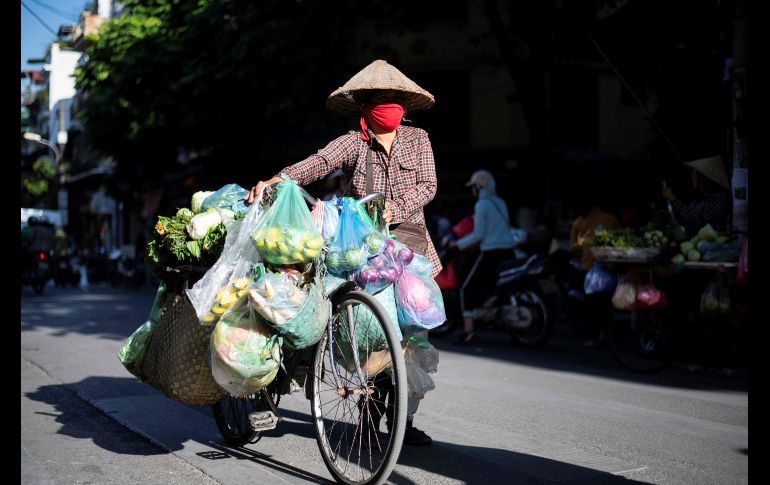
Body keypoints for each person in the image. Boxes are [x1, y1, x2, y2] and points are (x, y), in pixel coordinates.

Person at [244, 59, 439, 446]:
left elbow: (428, 185)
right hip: (361, 249)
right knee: (364, 333)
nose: (390, 104)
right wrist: (278, 179)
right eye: (381, 99)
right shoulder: (354, 141)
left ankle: (400, 419)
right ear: (366, 104)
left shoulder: (419, 140)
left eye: (395, 98)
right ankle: (353, 406)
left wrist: (390, 209)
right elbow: (319, 162)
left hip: (409, 248)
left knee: (410, 339)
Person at [447, 170, 515, 345]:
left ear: (478, 187)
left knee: (465, 288)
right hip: (509, 251)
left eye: (473, 187)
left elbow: (478, 235)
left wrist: (457, 244)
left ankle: (469, 332)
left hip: (491, 253)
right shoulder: (501, 202)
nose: (473, 191)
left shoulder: (482, 205)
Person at [569, 202, 619, 347]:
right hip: (608, 270)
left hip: (589, 271)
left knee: (591, 305)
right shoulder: (610, 219)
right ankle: (604, 334)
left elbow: (572, 248)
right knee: (605, 304)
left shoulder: (579, 222)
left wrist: (583, 245)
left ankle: (594, 336)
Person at [661, 155, 732, 234]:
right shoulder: (699, 198)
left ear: (705, 178)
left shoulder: (720, 198)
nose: (693, 176)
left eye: (696, 173)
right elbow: (687, 218)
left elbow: (696, 217)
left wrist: (672, 198)